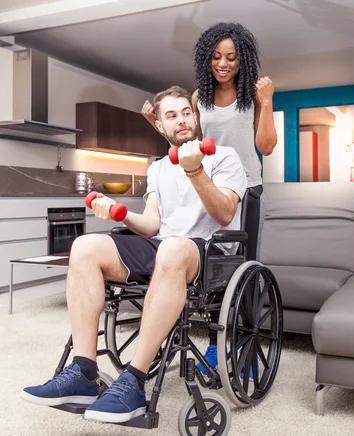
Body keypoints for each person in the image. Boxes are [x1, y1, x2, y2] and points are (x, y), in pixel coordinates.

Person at [20, 85, 247, 424]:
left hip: (207, 254)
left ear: (195, 116)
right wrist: (120, 212)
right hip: (164, 246)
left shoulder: (225, 156)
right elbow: (153, 223)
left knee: (171, 248)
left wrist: (196, 170)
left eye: (186, 112)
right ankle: (83, 371)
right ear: (160, 126)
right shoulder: (157, 168)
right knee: (84, 246)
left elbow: (225, 213)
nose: (182, 120)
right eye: (171, 115)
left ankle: (134, 381)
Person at [141, 22, 277, 375]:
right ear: (206, 58)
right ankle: (214, 349)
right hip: (210, 188)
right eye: (216, 56)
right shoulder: (199, 98)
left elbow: (266, 146)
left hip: (247, 190)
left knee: (242, 272)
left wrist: (267, 102)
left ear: (242, 59)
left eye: (231, 57)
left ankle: (244, 354)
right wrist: (155, 122)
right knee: (215, 270)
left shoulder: (252, 96)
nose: (223, 63)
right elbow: (188, 140)